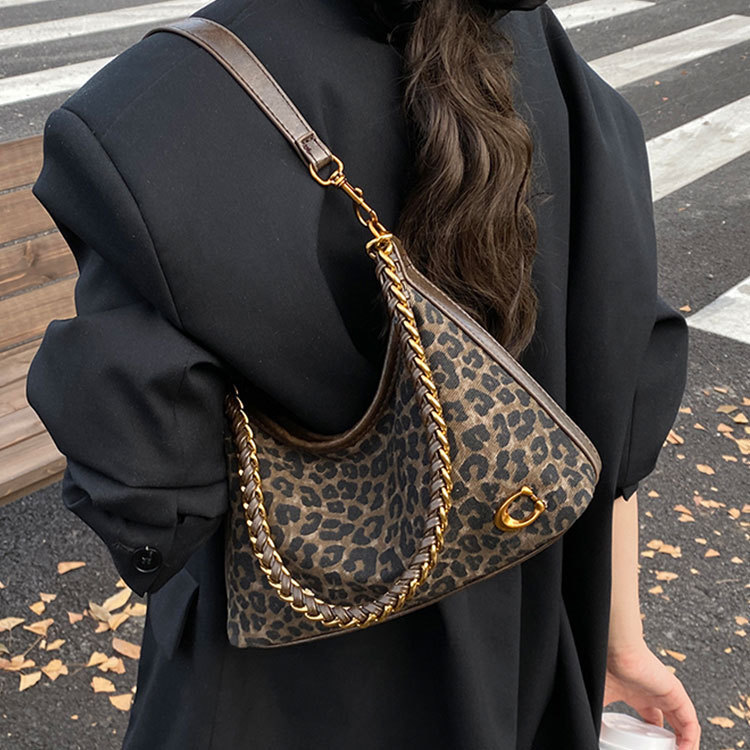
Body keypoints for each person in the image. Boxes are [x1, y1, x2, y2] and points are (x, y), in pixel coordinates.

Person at [25, 0, 700, 748]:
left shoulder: (158, 104)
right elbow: (621, 388)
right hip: (531, 661)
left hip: (276, 694)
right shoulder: (534, 42)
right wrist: (621, 645)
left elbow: (149, 498)